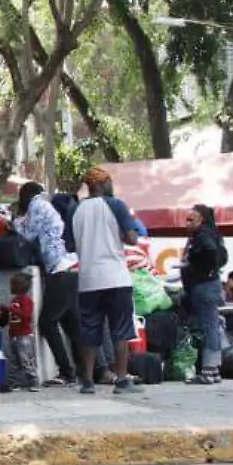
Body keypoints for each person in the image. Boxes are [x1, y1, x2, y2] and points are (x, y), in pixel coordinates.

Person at [72, 167, 141, 395]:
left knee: (89, 331)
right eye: (109, 182)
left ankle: (88, 382)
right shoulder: (116, 205)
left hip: (88, 279)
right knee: (120, 329)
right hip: (115, 276)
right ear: (102, 184)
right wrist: (121, 234)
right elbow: (132, 238)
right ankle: (121, 379)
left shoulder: (77, 209)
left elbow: (71, 245)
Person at [15, 181, 78, 385]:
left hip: (59, 269)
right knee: (71, 323)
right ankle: (86, 370)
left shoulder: (37, 205)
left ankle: (67, 372)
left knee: (47, 322)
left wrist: (13, 222)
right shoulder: (46, 206)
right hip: (71, 267)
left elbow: (28, 234)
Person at [181, 204, 228, 385]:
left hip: (204, 286)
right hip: (210, 284)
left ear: (201, 219)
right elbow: (222, 256)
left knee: (208, 327)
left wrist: (199, 266)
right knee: (212, 326)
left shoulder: (202, 236)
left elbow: (210, 252)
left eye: (190, 220)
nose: (187, 224)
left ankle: (208, 370)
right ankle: (213, 369)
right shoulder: (213, 234)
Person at [3, 271, 39, 392]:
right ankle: (13, 383)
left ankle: (33, 380)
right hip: (13, 335)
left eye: (13, 285)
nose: (10, 287)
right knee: (13, 360)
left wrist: (11, 309)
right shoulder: (14, 300)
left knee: (26, 359)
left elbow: (26, 315)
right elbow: (12, 318)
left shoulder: (26, 300)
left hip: (24, 335)